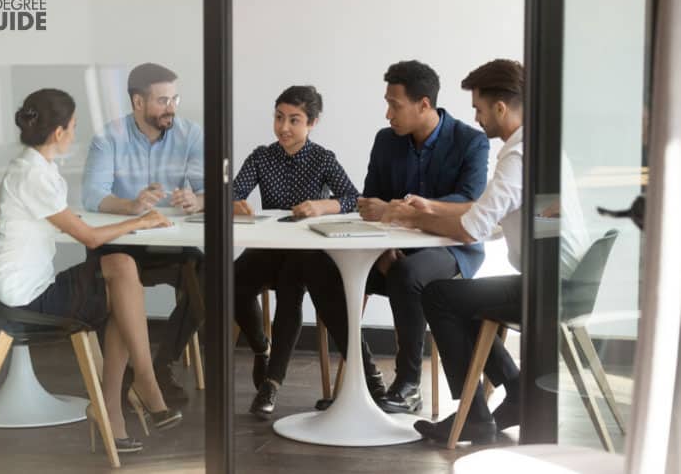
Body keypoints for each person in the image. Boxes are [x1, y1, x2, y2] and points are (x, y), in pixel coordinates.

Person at [381, 59, 588, 444]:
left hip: (550, 288)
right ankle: (515, 390)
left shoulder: (518, 156)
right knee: (464, 298)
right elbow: (489, 214)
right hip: (567, 282)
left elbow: (470, 228)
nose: (476, 117)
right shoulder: (539, 147)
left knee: (439, 294)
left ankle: (475, 416)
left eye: (478, 108)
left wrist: (410, 220)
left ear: (500, 108)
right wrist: (429, 210)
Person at [0, 89, 181, 453]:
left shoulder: (25, 166)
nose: (74, 134)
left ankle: (117, 408)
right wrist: (141, 221)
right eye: (73, 127)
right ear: (58, 133)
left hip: (22, 287)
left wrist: (25, 219)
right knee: (121, 269)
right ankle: (142, 388)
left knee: (122, 278)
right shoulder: (33, 175)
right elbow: (89, 239)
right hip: (26, 297)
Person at [307, 60, 490, 414]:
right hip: (391, 247)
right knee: (319, 268)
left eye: (395, 104)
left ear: (424, 104)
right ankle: (366, 380)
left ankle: (408, 384)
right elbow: (370, 202)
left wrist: (408, 214)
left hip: (452, 249)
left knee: (409, 275)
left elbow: (468, 202)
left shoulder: (471, 142)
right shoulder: (386, 141)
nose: (388, 113)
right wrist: (384, 246)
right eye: (387, 103)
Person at [232, 85, 383, 419]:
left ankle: (272, 383)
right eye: (279, 117)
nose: (284, 127)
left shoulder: (322, 159)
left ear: (312, 123)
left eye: (294, 120)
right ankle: (261, 347)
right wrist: (235, 205)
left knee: (291, 287)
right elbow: (233, 192)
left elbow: (354, 200)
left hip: (308, 253)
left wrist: (322, 205)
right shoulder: (261, 156)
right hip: (270, 247)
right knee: (230, 282)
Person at [82, 63, 204, 401]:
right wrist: (131, 206)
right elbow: (92, 195)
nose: (172, 108)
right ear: (138, 102)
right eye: (163, 100)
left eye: (175, 99)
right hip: (121, 243)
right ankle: (123, 375)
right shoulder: (108, 138)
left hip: (170, 244)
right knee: (115, 274)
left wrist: (196, 200)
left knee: (207, 275)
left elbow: (212, 191)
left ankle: (159, 368)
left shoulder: (190, 134)